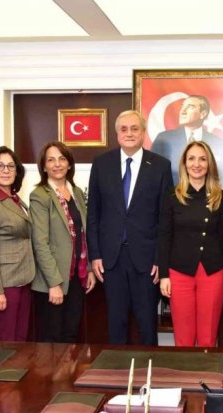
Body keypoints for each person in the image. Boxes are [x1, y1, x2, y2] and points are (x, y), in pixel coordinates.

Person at [87, 110, 173, 345]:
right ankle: (117, 367)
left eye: (135, 128)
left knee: (147, 324)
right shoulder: (101, 164)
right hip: (111, 259)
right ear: (117, 134)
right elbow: (93, 213)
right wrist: (95, 255)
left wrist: (160, 259)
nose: (129, 133)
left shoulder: (160, 166)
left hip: (146, 261)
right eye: (123, 129)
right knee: (116, 323)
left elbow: (165, 218)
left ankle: (149, 367)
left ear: (143, 132)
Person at [157, 141, 223, 347]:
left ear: (209, 164)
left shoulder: (219, 196)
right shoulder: (172, 196)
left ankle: (207, 370)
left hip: (212, 271)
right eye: (192, 159)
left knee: (208, 337)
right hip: (179, 272)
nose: (197, 164)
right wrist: (164, 275)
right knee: (183, 337)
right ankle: (183, 371)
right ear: (184, 164)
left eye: (202, 159)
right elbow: (164, 237)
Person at [30, 141, 95, 343]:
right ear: (44, 166)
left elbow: (85, 233)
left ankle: (69, 367)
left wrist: (90, 269)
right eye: (51, 160)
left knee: (71, 334)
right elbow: (40, 243)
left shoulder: (76, 193)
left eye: (62, 159)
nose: (57, 164)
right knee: (53, 339)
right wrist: (54, 283)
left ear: (69, 164)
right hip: (54, 280)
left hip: (76, 277)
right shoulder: (40, 195)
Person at [0, 146, 35, 341]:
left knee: (20, 341)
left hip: (23, 279)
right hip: (4, 285)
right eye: (0, 166)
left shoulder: (14, 199)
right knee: (4, 343)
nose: (6, 170)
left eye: (11, 166)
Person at [151, 95, 223, 184]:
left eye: (190, 107)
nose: (183, 111)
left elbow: (222, 177)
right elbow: (153, 172)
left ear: (203, 114)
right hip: (171, 192)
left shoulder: (218, 143)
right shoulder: (164, 139)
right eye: (182, 107)